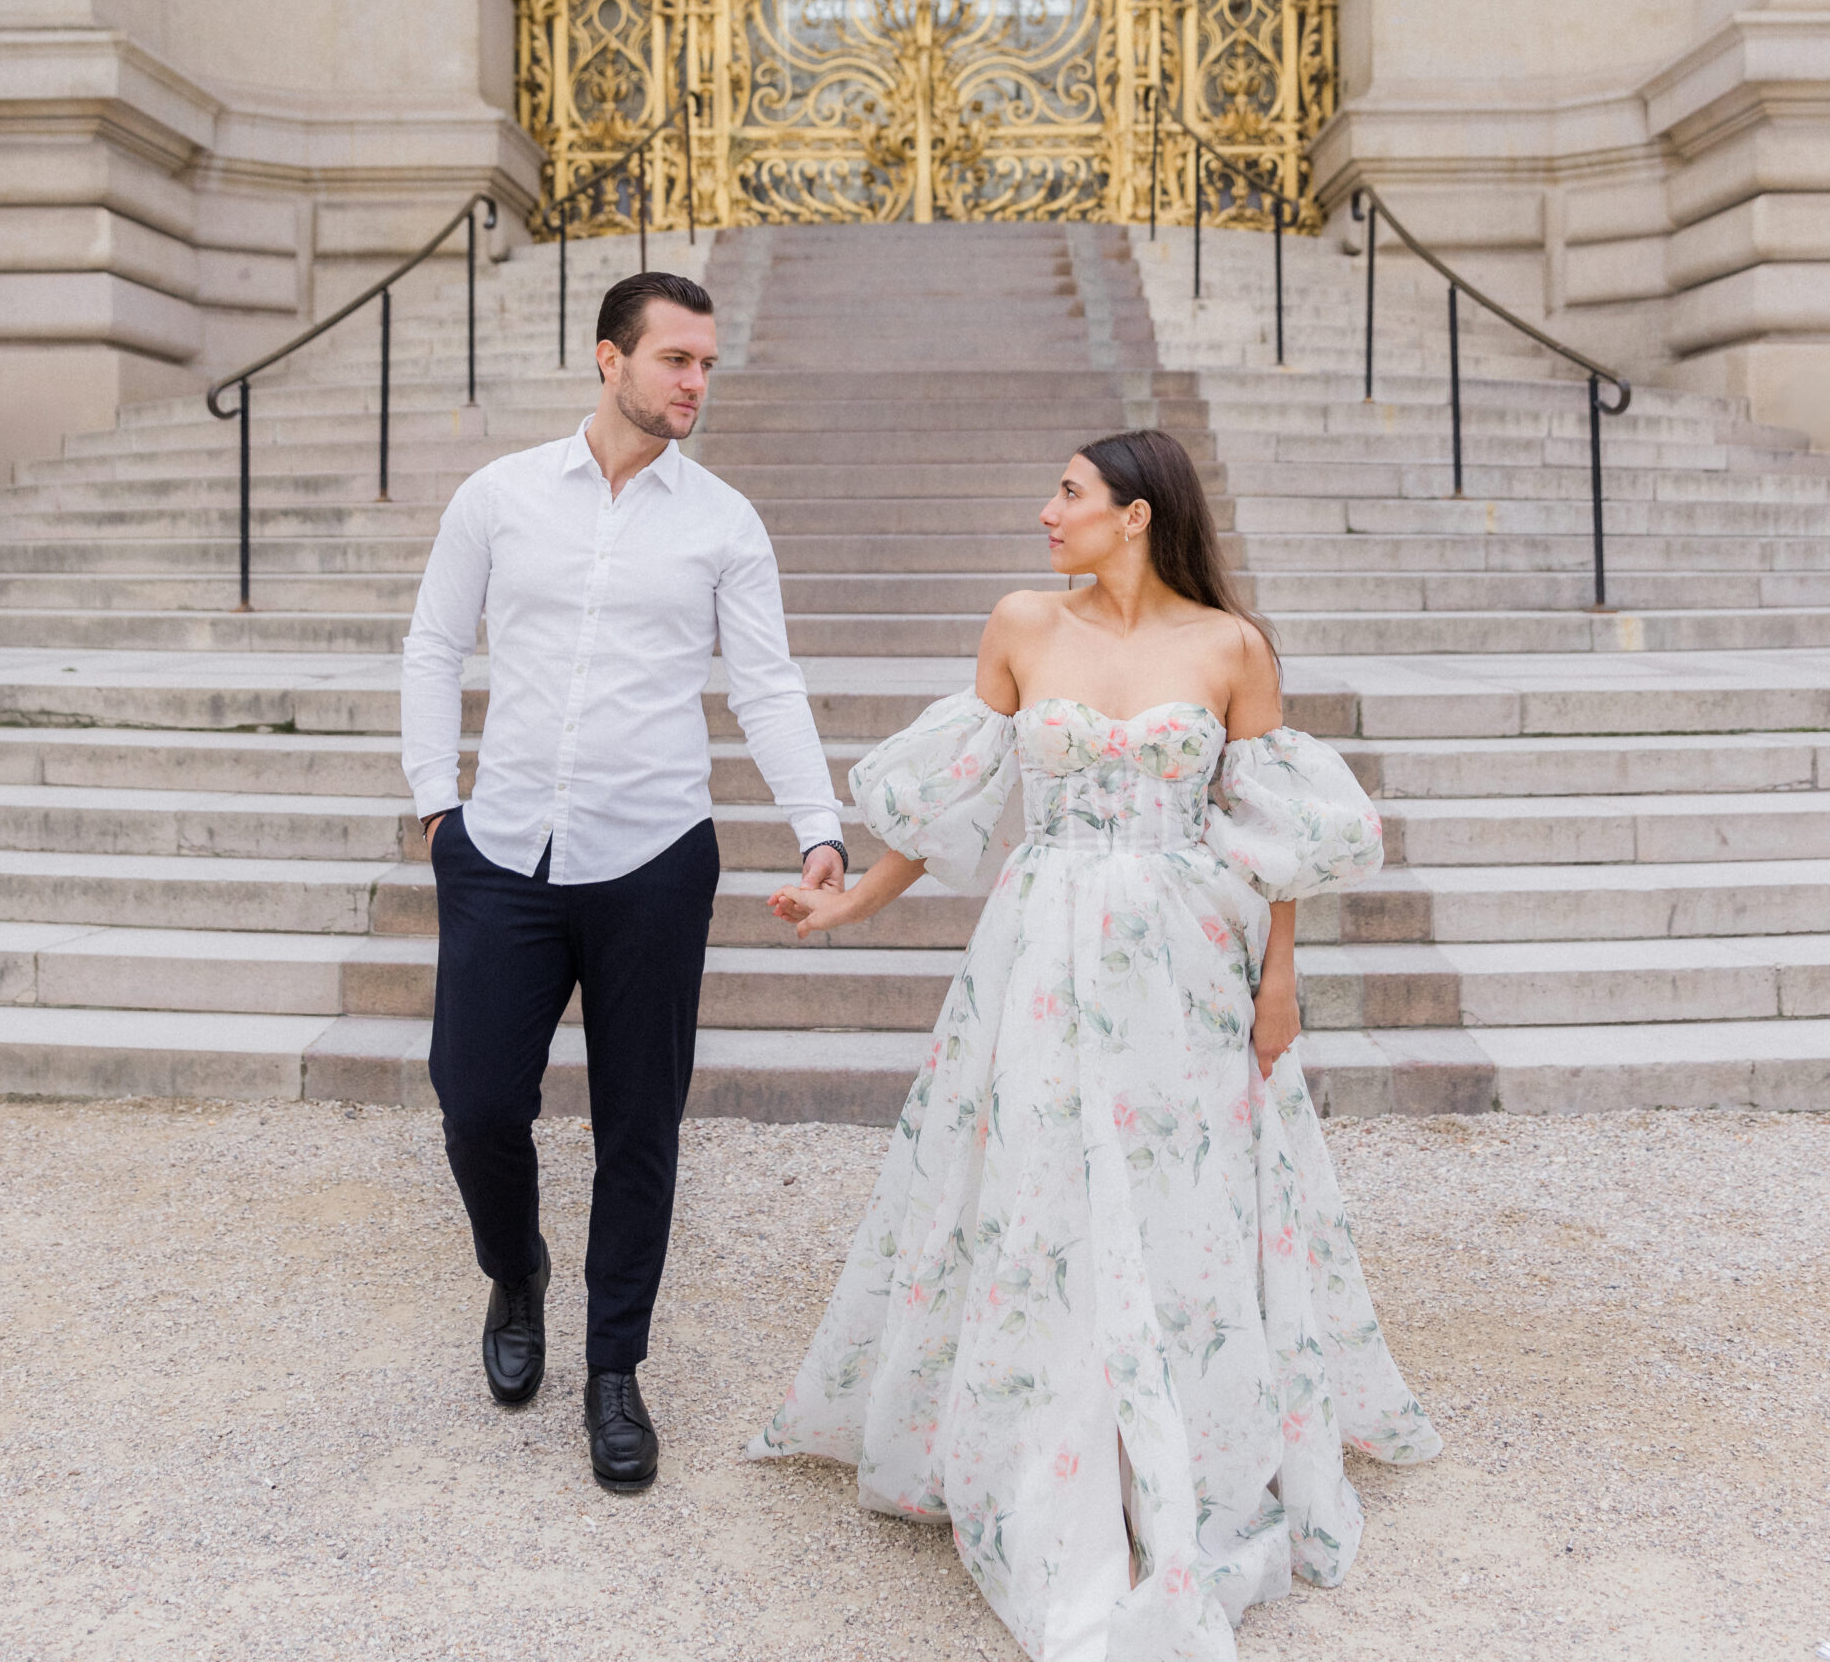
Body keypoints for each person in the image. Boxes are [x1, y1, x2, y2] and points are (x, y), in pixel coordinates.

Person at [752, 428, 1439, 1661]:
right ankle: (1039, 1446)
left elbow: (1272, 831)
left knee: (1184, 1192)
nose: (1044, 510)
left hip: (1185, 956)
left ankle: (1163, 1447)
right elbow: (955, 796)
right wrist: (851, 901)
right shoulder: (1023, 622)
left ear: (1135, 514)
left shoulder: (1233, 647)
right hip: (1043, 945)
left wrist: (1280, 980)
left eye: (1067, 492)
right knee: (1035, 1181)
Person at [401, 269, 847, 1492]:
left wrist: (818, 823)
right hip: (502, 851)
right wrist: (438, 804)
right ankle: (516, 1269)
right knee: (476, 1097)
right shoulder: (498, 498)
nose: (697, 382)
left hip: (653, 853)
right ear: (610, 359)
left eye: (707, 363)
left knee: (639, 1121)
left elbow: (766, 683)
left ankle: (613, 1371)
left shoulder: (724, 523)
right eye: (676, 360)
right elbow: (437, 644)